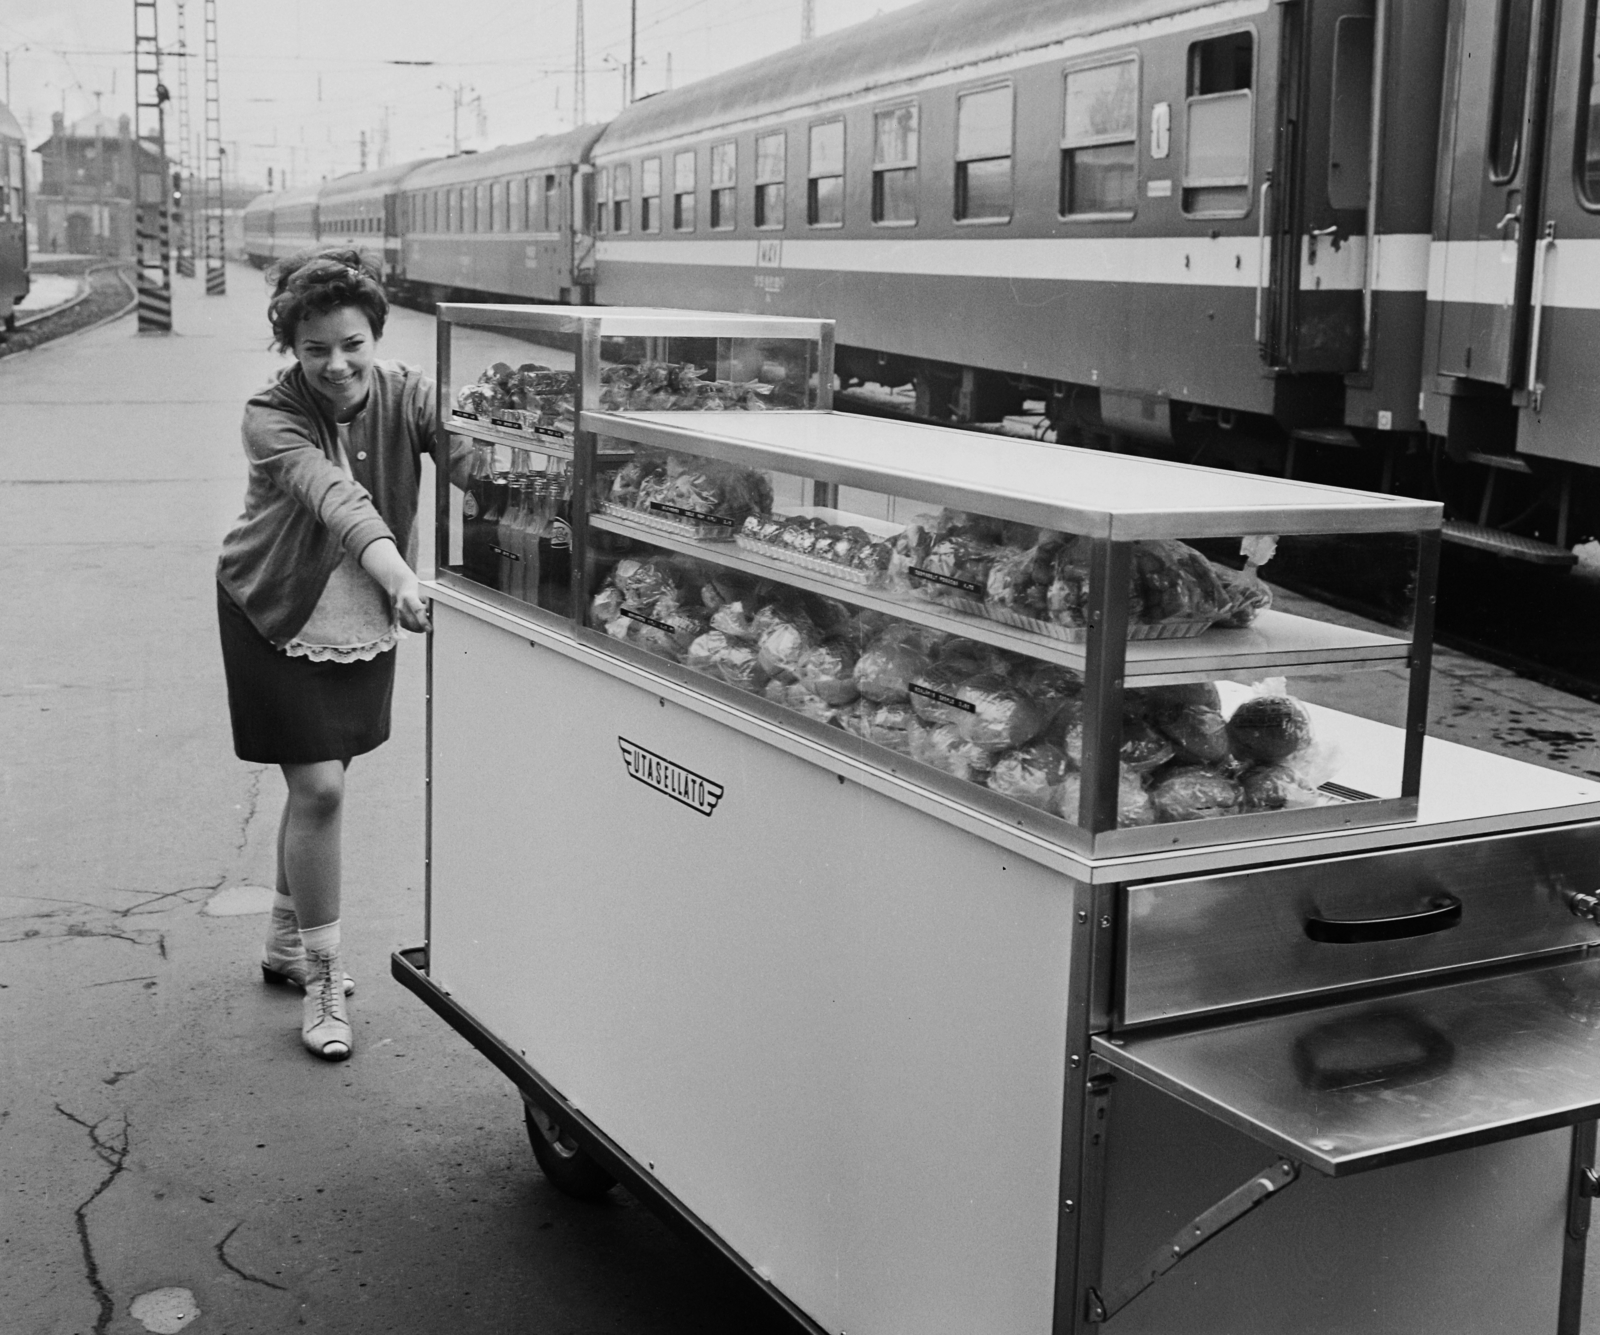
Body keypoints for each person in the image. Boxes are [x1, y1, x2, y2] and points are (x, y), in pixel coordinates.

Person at [216, 247, 442, 1062]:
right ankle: (321, 975)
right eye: (316, 349)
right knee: (318, 788)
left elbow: (466, 445)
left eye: (352, 343)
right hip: (273, 609)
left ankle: (284, 937)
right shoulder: (269, 416)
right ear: (292, 349)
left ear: (375, 334)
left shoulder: (407, 390)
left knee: (323, 786)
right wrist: (401, 573)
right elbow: (334, 497)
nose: (337, 364)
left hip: (365, 616)